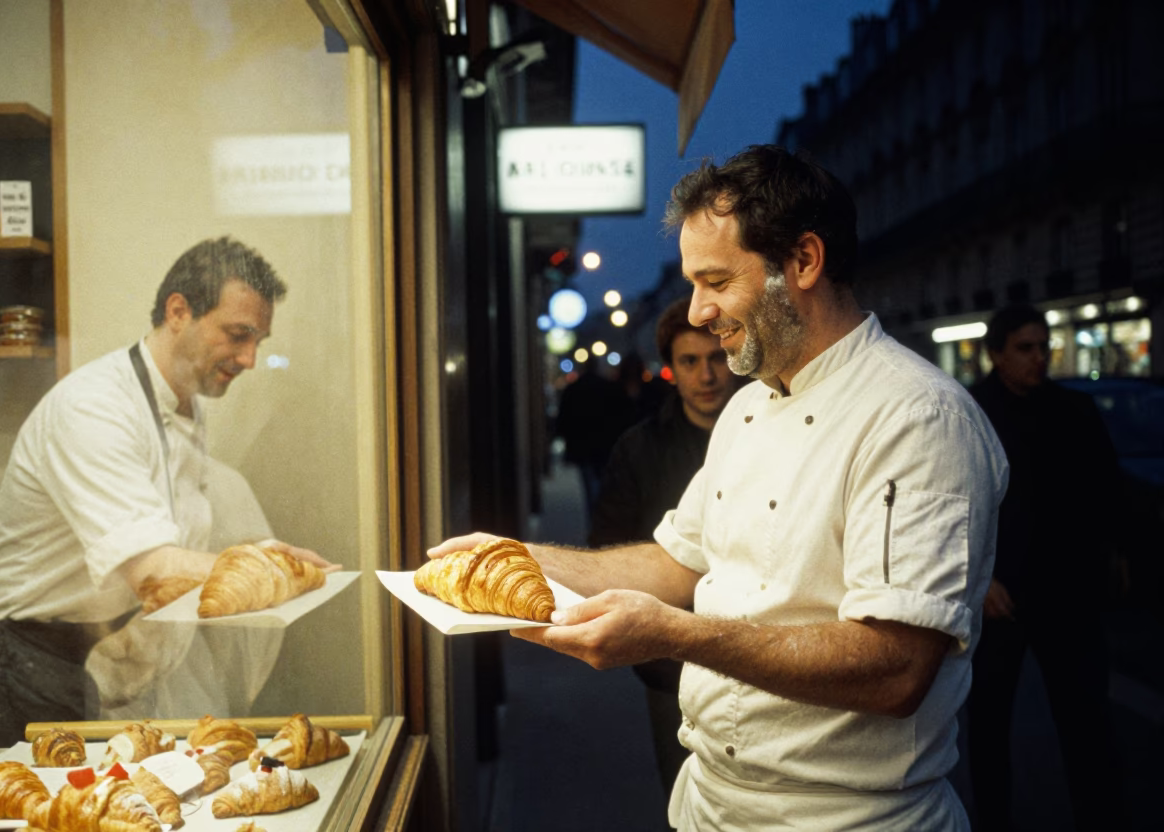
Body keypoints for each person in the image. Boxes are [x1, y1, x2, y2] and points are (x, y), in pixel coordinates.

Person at [430, 145, 1008, 830]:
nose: (698, 311)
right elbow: (678, 560)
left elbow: (895, 669)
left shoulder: (919, 417)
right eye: (692, 284)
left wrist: (676, 635)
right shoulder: (747, 405)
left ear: (803, 262)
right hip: (710, 804)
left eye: (715, 282)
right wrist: (519, 558)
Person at [0, 236, 331, 747]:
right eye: (238, 334)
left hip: (100, 652)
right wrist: (264, 567)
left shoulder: (187, 402)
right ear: (178, 311)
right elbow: (152, 570)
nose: (249, 358)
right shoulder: (94, 408)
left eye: (258, 341)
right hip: (26, 663)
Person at [966, 304, 1126, 831]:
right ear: (995, 354)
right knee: (989, 731)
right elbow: (952, 508)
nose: (1039, 358)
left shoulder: (1075, 409)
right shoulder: (969, 412)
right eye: (1025, 348)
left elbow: (1107, 492)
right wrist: (980, 580)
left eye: (1044, 346)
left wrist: (1112, 556)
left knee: (1087, 727)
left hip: (1069, 596)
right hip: (1000, 599)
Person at [588, 296, 738, 801]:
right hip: (669, 665)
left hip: (753, 648)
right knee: (684, 794)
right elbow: (607, 546)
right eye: (690, 362)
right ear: (671, 368)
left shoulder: (762, 436)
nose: (707, 374)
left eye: (716, 358)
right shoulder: (639, 447)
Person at [554, 355, 632, 517]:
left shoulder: (574, 388)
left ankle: (595, 516)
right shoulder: (608, 387)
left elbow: (564, 417)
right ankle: (601, 515)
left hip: (582, 444)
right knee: (603, 480)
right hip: (604, 444)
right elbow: (621, 417)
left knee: (589, 484)